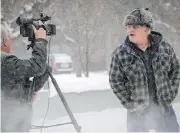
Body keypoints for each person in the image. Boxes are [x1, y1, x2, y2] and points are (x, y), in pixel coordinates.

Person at [109, 8, 180, 132]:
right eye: (128, 26)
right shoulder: (121, 53)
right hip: (137, 114)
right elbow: (115, 81)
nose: (130, 29)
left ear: (147, 28)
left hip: (164, 109)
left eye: (135, 26)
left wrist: (170, 94)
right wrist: (130, 104)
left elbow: (175, 69)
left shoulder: (164, 47)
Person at [1, 24, 51, 132]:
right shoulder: (4, 62)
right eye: (9, 40)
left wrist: (25, 93)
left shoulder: (6, 66)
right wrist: (41, 40)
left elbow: (11, 87)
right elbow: (36, 66)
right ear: (4, 41)